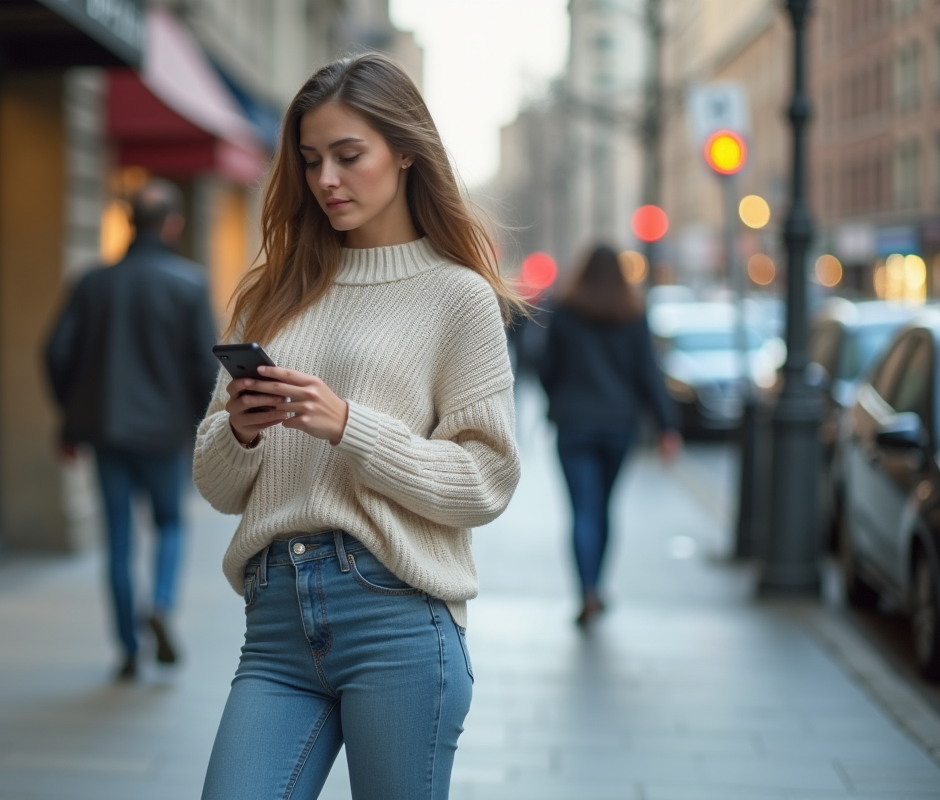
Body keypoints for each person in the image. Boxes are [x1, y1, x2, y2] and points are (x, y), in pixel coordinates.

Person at [192, 53, 524, 799]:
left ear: (405, 152)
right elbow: (214, 484)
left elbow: (486, 480)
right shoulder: (275, 292)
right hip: (276, 620)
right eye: (311, 161)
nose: (326, 181)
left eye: (349, 156)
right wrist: (241, 432)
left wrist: (349, 426)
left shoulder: (457, 297)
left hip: (395, 619)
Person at [44, 178, 218, 680]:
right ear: (173, 224)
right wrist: (199, 425)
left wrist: (71, 419)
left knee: (118, 539)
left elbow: (56, 353)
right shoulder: (189, 283)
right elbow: (204, 368)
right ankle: (161, 604)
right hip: (164, 435)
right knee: (169, 525)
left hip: (106, 432)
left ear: (127, 223)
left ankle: (126, 648)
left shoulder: (92, 282)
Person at [535, 244, 681, 626]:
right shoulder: (631, 314)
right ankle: (597, 587)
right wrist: (667, 426)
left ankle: (586, 590)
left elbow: (545, 366)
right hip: (619, 425)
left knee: (582, 509)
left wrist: (559, 399)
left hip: (574, 423)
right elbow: (649, 372)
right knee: (603, 508)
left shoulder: (565, 312)